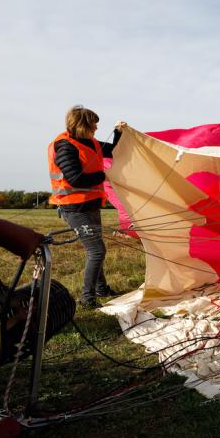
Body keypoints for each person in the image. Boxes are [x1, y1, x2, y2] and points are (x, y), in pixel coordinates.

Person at [47, 106, 127, 308]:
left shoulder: (89, 142)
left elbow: (112, 150)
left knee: (96, 249)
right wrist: (105, 175)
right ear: (82, 125)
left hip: (90, 205)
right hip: (74, 209)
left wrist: (119, 133)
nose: (97, 127)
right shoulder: (65, 146)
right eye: (93, 124)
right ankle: (87, 298)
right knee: (97, 250)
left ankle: (101, 290)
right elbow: (75, 178)